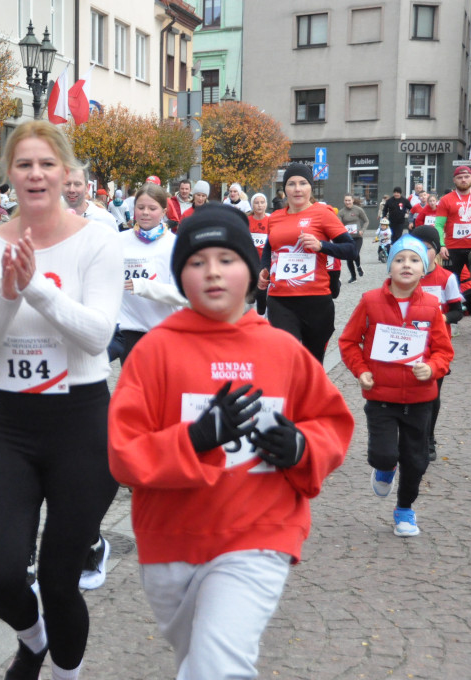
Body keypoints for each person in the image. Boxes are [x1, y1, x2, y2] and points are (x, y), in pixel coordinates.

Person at [108, 205, 354, 680]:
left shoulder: (282, 349)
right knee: (196, 663)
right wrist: (195, 439)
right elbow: (123, 450)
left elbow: (331, 422)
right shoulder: (155, 350)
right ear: (180, 276)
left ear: (255, 272)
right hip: (171, 539)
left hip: (260, 533)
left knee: (217, 668)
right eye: (197, 262)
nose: (213, 272)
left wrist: (302, 447)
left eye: (227, 259)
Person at [0, 120, 123, 680]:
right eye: (24, 164)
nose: (36, 174)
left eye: (47, 164)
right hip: (14, 423)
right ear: (9, 174)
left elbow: (98, 335)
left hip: (82, 423)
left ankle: (64, 674)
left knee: (59, 580)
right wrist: (7, 294)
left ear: (67, 173)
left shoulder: (99, 240)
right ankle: (33, 641)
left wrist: (35, 287)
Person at [339, 235, 454, 537]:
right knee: (384, 454)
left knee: (416, 460)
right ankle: (385, 469)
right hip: (381, 396)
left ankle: (405, 509)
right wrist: (360, 371)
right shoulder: (370, 301)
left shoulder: (431, 306)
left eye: (414, 260)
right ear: (389, 267)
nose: (406, 265)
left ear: (424, 268)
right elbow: (349, 341)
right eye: (399, 260)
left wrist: (431, 368)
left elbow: (444, 351)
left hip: (420, 398)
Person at [257, 163, 356, 363]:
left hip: (316, 301)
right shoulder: (275, 217)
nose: (297, 189)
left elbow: (351, 250)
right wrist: (264, 268)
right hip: (280, 299)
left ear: (310, 188)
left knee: (313, 363)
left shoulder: (323, 214)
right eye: (291, 184)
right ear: (284, 189)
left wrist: (322, 246)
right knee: (287, 357)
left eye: (303, 183)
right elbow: (270, 246)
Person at [116, 183, 185, 362]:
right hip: (129, 330)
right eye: (140, 207)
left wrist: (144, 286)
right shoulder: (119, 241)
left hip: (163, 331)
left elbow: (184, 295)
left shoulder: (174, 244)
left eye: (152, 208)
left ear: (163, 212)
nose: (145, 212)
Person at [411, 226, 463, 460]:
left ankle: (428, 438)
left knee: (432, 394)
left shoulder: (446, 277)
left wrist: (441, 317)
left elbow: (457, 312)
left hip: (436, 348)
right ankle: (411, 437)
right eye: (417, 246)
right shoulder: (404, 273)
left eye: (428, 248)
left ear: (437, 250)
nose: (422, 251)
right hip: (409, 344)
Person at [435, 166, 471, 334]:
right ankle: (453, 321)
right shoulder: (446, 200)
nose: (464, 180)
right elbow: (438, 224)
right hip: (453, 248)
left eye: (467, 177)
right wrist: (441, 245)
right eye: (460, 177)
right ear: (454, 180)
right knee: (452, 285)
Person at [62, 166, 118, 232]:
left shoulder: (105, 219)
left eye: (77, 184)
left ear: (87, 188)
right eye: (67, 184)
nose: (71, 190)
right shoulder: (51, 219)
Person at [338, 194, 369, 283]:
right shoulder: (341, 212)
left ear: (352, 201)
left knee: (355, 253)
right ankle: (353, 276)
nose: (347, 202)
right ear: (344, 201)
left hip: (357, 237)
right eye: (346, 201)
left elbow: (366, 221)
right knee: (349, 257)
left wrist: (362, 230)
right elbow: (339, 224)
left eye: (349, 200)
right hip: (347, 238)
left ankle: (358, 266)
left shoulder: (358, 210)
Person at [248, 193, 270, 315]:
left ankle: (262, 316)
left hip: (265, 262)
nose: (259, 205)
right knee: (250, 293)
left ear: (266, 205)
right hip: (250, 262)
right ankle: (248, 317)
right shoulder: (247, 221)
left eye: (262, 202)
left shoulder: (270, 221)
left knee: (262, 292)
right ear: (252, 205)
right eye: (256, 203)